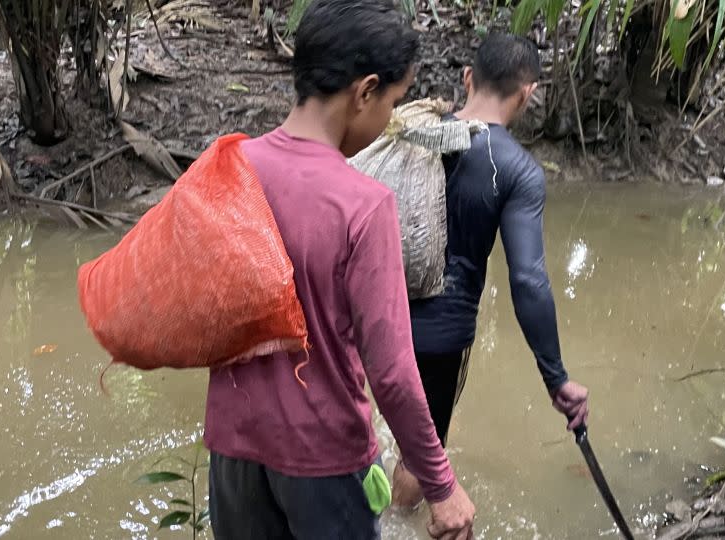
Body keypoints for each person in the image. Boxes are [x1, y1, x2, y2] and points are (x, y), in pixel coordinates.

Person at [202, 0, 475, 538]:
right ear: (365, 91)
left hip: (233, 452)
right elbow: (392, 373)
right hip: (323, 462)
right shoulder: (363, 204)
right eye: (393, 103)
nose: (388, 120)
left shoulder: (233, 170)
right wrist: (441, 486)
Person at [392, 33, 590, 507]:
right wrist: (555, 377)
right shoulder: (518, 170)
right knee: (423, 454)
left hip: (376, 315)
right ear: (527, 93)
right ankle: (397, 519)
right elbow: (527, 279)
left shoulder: (412, 131)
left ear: (467, 78)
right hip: (440, 335)